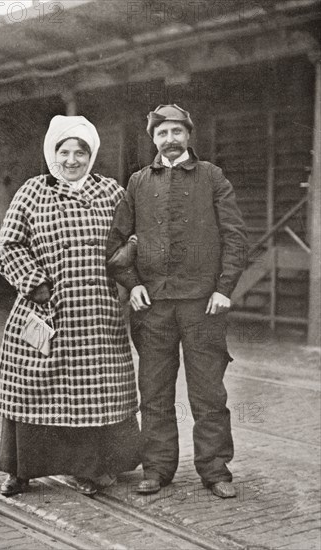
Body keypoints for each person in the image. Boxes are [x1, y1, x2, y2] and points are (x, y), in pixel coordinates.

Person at [0, 115, 140, 497]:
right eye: (64, 152)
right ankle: (21, 471)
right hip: (44, 311)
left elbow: (135, 236)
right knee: (31, 388)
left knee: (93, 394)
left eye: (80, 152)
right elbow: (8, 246)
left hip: (97, 315)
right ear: (52, 153)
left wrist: (129, 263)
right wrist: (35, 283)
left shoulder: (111, 193)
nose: (72, 160)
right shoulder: (33, 192)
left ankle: (89, 470)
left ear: (92, 155)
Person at [106, 104, 248, 498]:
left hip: (203, 305)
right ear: (153, 138)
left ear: (189, 136)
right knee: (153, 393)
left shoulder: (212, 177)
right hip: (152, 307)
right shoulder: (136, 182)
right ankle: (157, 468)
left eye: (177, 132)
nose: (170, 140)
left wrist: (224, 288)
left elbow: (235, 236)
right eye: (162, 133)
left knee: (208, 394)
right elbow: (116, 243)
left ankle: (216, 470)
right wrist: (132, 283)